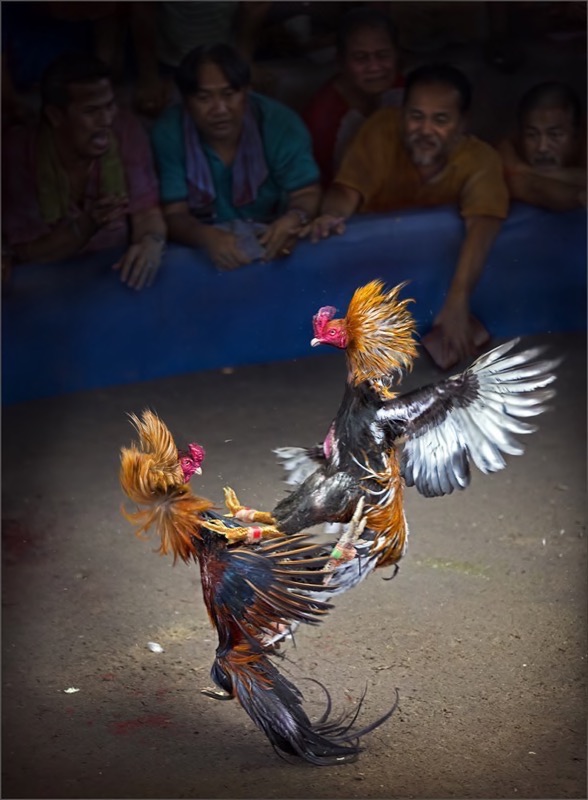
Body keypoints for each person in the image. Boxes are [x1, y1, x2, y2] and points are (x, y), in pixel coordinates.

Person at [309, 62, 509, 368]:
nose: (425, 129)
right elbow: (347, 191)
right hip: (369, 270)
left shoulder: (481, 161)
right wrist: (331, 215)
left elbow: (483, 227)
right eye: (416, 117)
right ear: (402, 114)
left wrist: (457, 302)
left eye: (440, 120)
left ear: (462, 123)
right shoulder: (381, 129)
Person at [2, 53, 166, 291]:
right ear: (56, 115)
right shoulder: (18, 152)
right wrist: (87, 226)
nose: (106, 120)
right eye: (91, 111)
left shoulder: (126, 130)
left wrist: (151, 242)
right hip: (47, 282)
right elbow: (28, 251)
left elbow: (146, 212)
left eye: (110, 106)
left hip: (112, 269)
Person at [150, 43, 321, 269]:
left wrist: (295, 217)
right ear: (186, 101)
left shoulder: (281, 124)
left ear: (247, 92)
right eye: (204, 98)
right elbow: (174, 214)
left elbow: (306, 192)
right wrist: (206, 238)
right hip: (201, 256)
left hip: (271, 245)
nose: (219, 109)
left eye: (229, 94)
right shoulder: (169, 133)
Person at [303, 6, 404, 187]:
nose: (374, 67)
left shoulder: (405, 90)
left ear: (397, 55)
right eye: (360, 58)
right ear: (341, 62)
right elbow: (322, 185)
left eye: (383, 55)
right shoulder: (321, 118)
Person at [497, 81, 586, 211]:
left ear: (576, 135)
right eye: (532, 135)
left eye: (555, 135)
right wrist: (577, 193)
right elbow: (522, 186)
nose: (542, 147)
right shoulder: (509, 147)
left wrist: (531, 172)